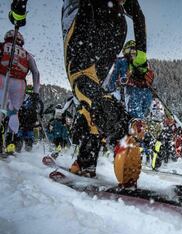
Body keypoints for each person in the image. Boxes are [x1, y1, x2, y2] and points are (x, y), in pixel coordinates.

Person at [9, 0, 150, 186]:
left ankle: (123, 132)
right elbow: (138, 14)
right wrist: (141, 55)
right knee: (90, 94)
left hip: (85, 18)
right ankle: (86, 161)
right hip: (116, 24)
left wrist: (19, 8)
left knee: (81, 82)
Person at [0, 29, 40, 154]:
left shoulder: (2, 46)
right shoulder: (26, 54)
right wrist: (35, 92)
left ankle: (6, 140)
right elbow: (36, 72)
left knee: (2, 109)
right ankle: (12, 140)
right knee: (13, 112)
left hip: (2, 77)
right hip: (19, 82)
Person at [107, 40, 155, 119]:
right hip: (147, 91)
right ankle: (141, 127)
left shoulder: (121, 61)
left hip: (133, 90)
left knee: (135, 117)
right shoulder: (143, 60)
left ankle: (136, 128)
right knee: (142, 117)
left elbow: (114, 76)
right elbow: (150, 76)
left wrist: (109, 89)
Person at [15, 84, 44, 152]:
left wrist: (40, 113)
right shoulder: (33, 97)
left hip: (25, 117)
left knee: (24, 131)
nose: (29, 92)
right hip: (27, 117)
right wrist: (40, 113)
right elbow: (41, 105)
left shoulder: (26, 96)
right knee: (25, 132)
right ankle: (23, 145)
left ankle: (24, 145)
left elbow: (41, 105)